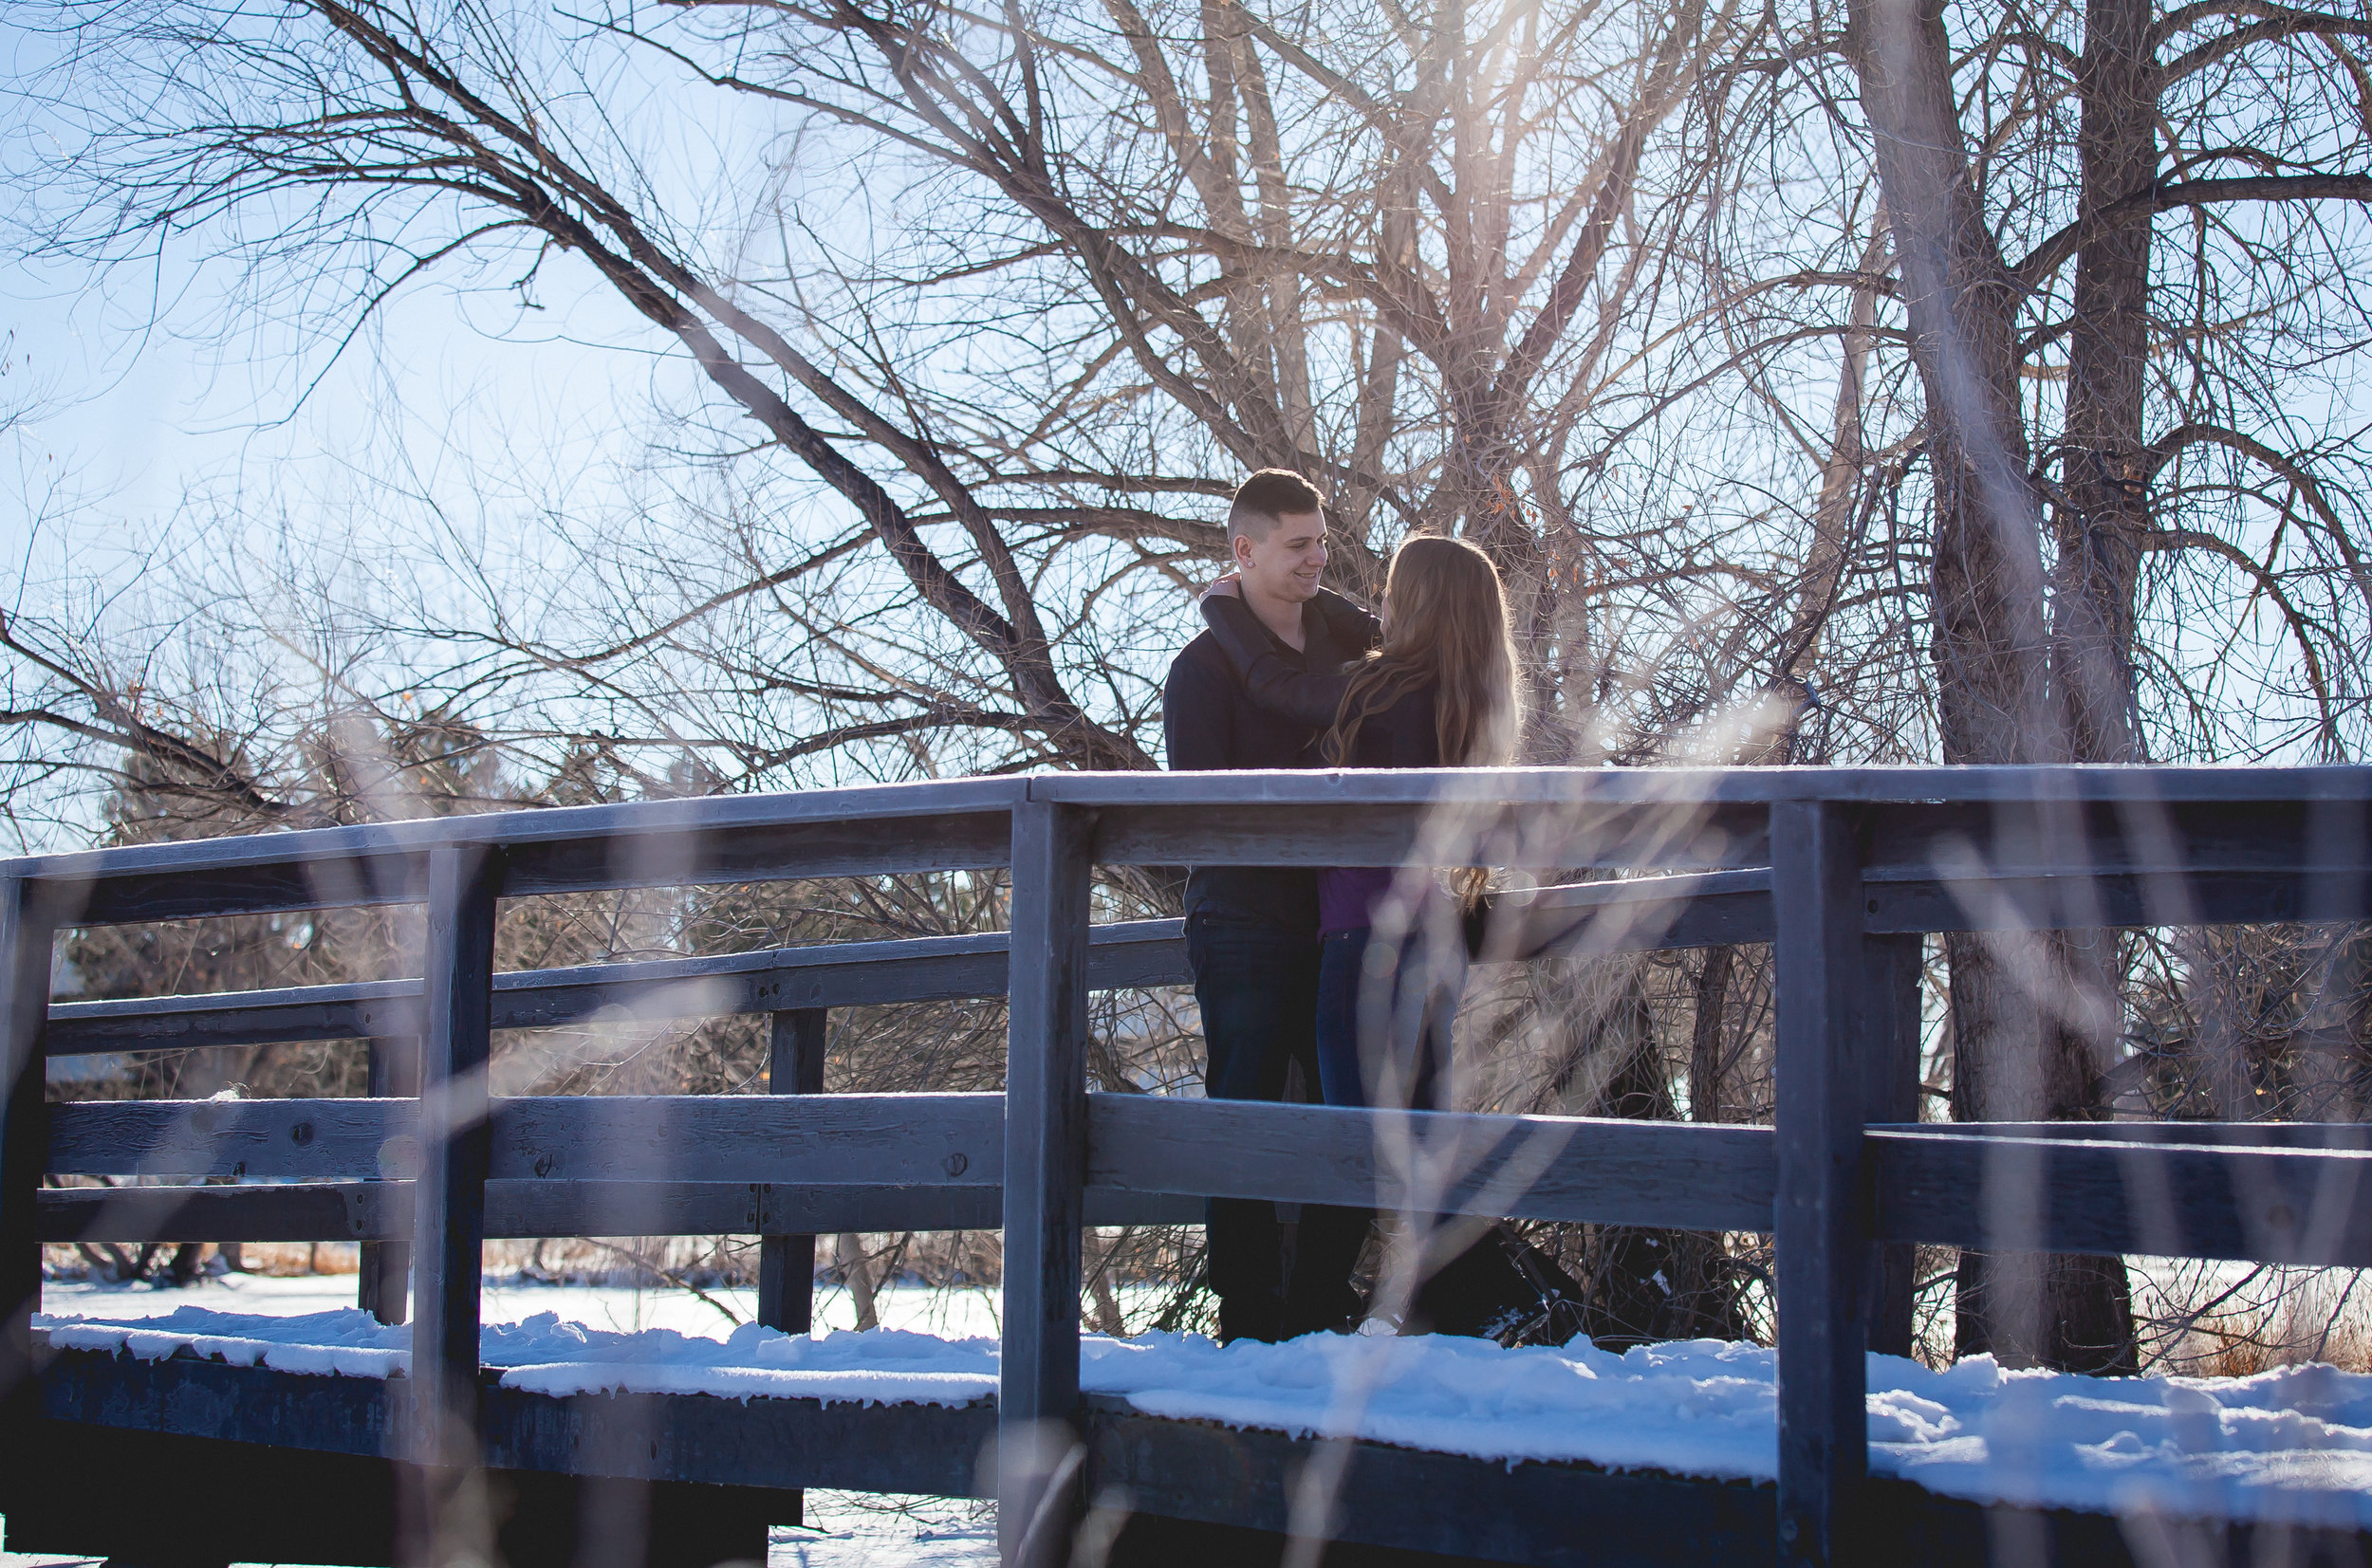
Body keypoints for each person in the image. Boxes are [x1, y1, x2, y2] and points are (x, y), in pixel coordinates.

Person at [1198, 535, 1523, 1326]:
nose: (1377, 605)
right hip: (1438, 939)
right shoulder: (1473, 696)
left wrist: (1223, 602)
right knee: (1417, 1131)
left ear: (1414, 605)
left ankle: (1331, 1310)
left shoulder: (1378, 690)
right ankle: (1458, 1305)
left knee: (1355, 1142)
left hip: (1362, 944)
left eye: (1392, 592)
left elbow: (1274, 684)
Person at [1163, 469, 1380, 1344]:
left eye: (1322, 542)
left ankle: (1323, 1302)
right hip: (1245, 919)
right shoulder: (1202, 671)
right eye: (1297, 546)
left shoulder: (1347, 641)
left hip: (1343, 916)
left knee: (1348, 1104)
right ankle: (1248, 1315)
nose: (1317, 560)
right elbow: (1200, 811)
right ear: (1243, 552)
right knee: (1244, 1105)